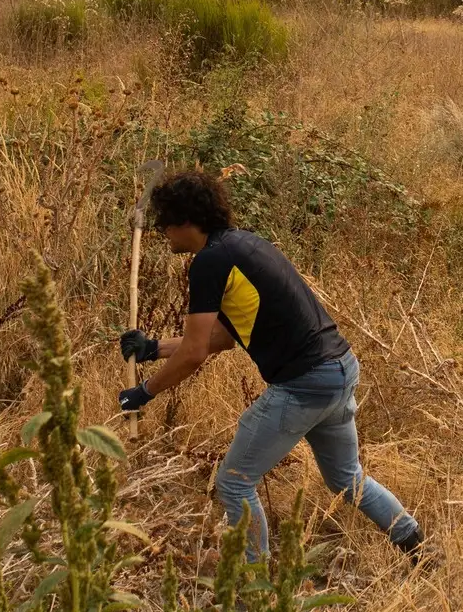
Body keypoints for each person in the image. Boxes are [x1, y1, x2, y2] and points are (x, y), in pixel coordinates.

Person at [116, 169, 425, 562]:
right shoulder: (242, 246)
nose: (165, 235)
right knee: (347, 479)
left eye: (166, 226)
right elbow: (223, 338)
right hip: (340, 370)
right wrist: (154, 348)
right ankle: (419, 547)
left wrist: (144, 392)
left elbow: (194, 354)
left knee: (233, 484)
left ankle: (254, 588)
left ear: (184, 222)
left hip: (305, 385)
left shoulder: (209, 262)